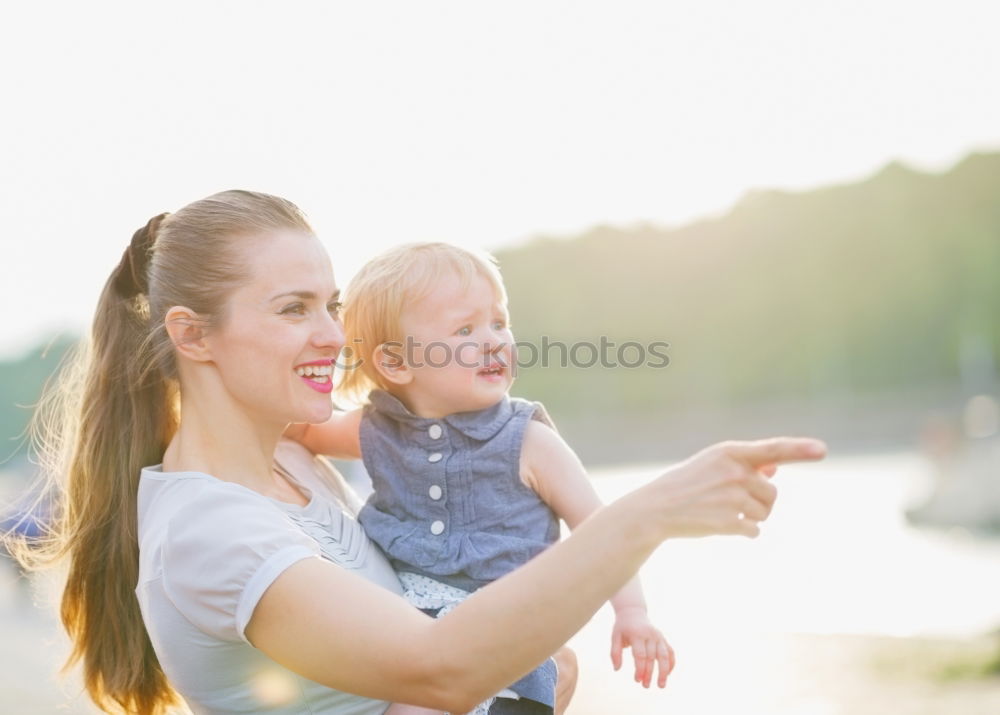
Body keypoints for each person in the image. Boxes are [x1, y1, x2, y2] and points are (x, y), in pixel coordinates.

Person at [6, 190, 826, 715]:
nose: (334, 335)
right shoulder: (210, 527)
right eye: (294, 309)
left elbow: (459, 645)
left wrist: (534, 667)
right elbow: (440, 671)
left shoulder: (291, 464)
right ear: (192, 335)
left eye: (331, 305)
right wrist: (649, 513)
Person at [288, 242, 672, 714]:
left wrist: (633, 613)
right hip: (406, 635)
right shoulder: (377, 429)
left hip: (502, 644)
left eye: (499, 322)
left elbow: (603, 530)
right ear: (395, 363)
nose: (493, 340)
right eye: (465, 329)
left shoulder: (526, 442)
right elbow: (300, 427)